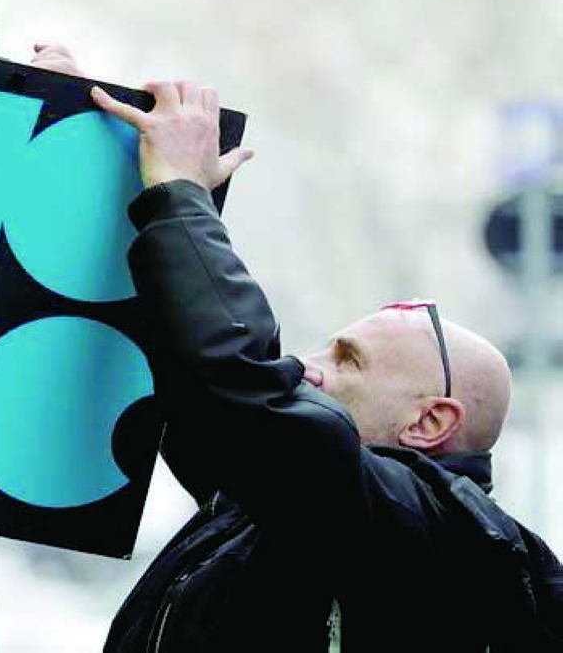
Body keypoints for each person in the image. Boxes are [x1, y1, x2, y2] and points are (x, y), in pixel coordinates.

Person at [30, 43, 563, 651]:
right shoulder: (283, 505)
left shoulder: (422, 523)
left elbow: (239, 383)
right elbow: (194, 372)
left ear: (430, 420)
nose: (306, 368)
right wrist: (86, 141)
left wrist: (180, 188)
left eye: (348, 360)